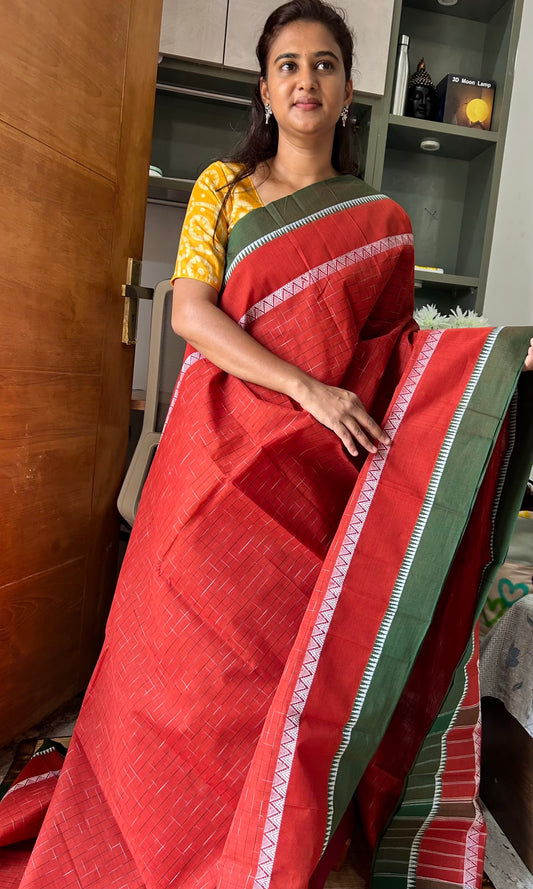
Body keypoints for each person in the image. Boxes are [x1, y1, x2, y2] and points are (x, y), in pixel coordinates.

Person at [3, 2, 533, 888]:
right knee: (177, 668)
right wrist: (304, 387)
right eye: (287, 65)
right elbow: (188, 312)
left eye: (323, 64)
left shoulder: (381, 221)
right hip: (213, 464)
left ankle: (250, 841)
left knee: (268, 677)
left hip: (314, 481)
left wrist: (498, 358)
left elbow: (393, 356)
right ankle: (150, 827)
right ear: (264, 88)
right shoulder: (224, 188)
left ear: (346, 91)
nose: (305, 80)